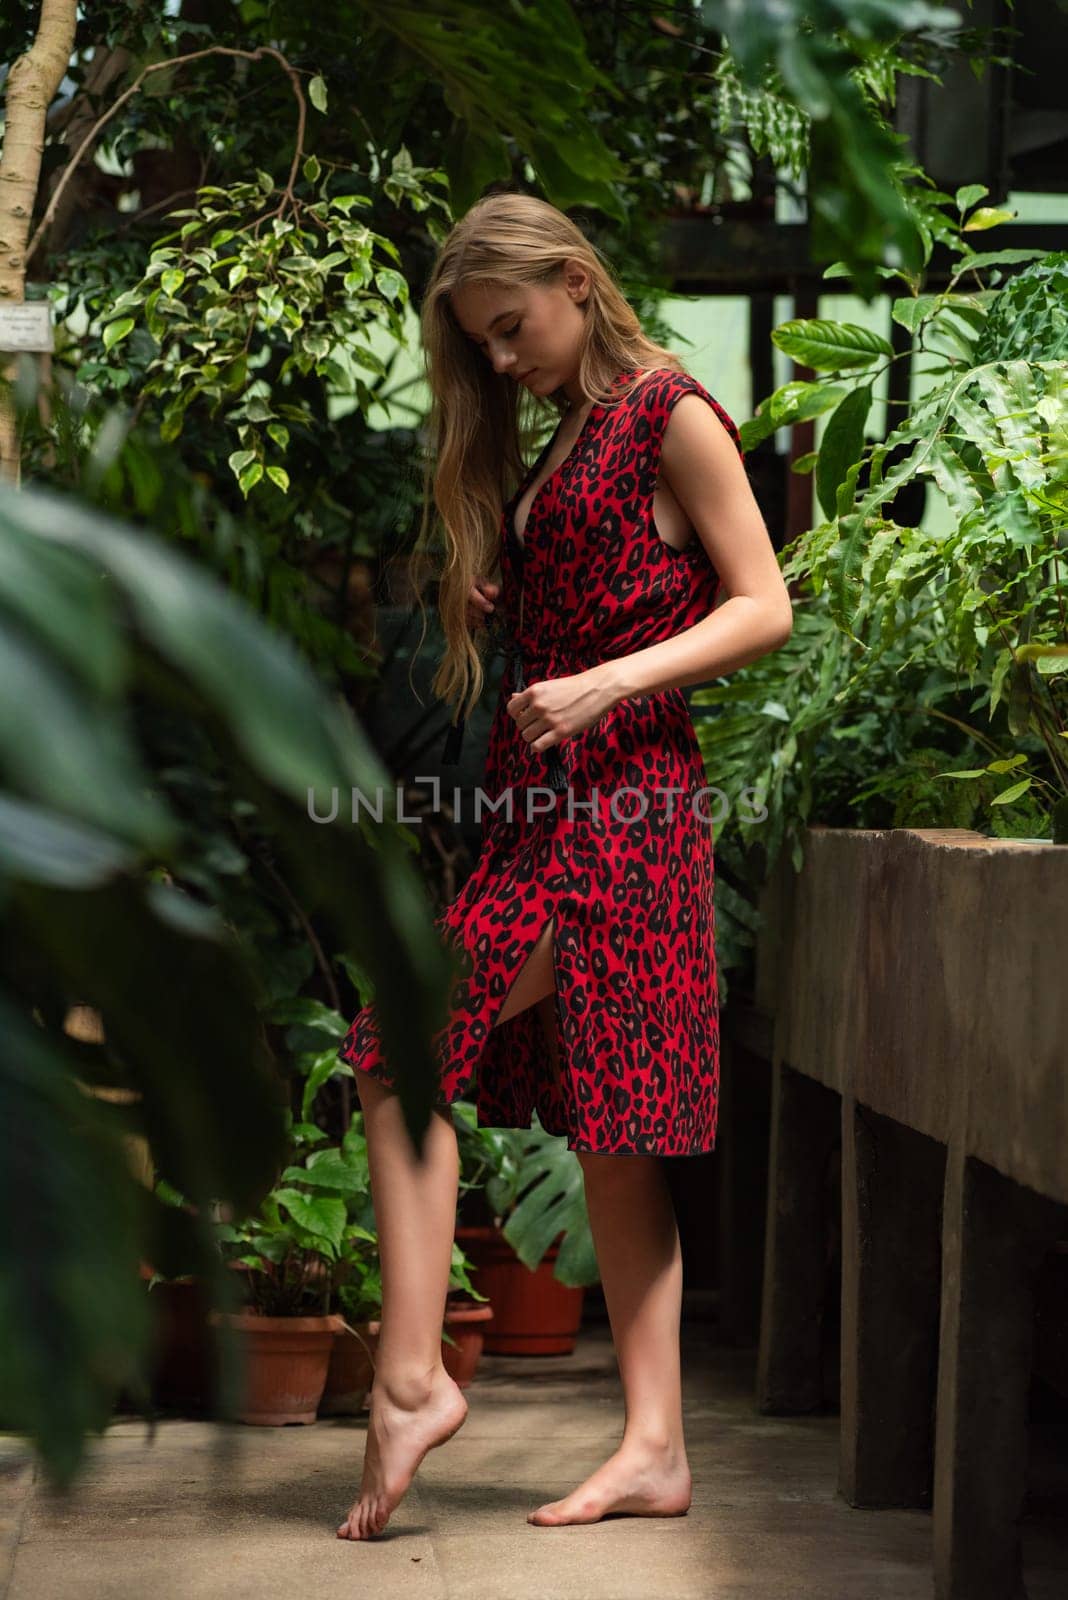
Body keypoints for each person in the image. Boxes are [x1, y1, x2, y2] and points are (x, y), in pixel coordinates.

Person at [335, 192, 793, 1542]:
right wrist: (512, 594)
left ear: (577, 285)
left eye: (510, 325)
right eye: (478, 342)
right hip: (550, 811)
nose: (498, 357)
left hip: (625, 810)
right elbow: (616, 578)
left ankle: (413, 1379)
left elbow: (762, 603)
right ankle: (655, 1448)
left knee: (398, 1049)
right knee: (612, 1139)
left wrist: (603, 684)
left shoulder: (670, 412)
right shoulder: (567, 437)